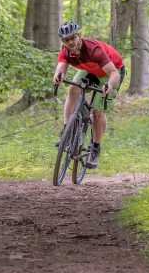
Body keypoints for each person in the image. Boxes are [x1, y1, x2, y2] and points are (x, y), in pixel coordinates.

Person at [51, 21, 125, 168]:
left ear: (79, 36)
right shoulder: (65, 51)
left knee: (97, 112)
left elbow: (114, 73)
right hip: (90, 69)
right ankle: (68, 131)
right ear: (62, 41)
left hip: (111, 72)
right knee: (72, 90)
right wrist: (58, 77)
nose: (70, 42)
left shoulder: (93, 50)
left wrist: (109, 85)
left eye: (73, 38)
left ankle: (95, 148)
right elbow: (61, 69)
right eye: (66, 40)